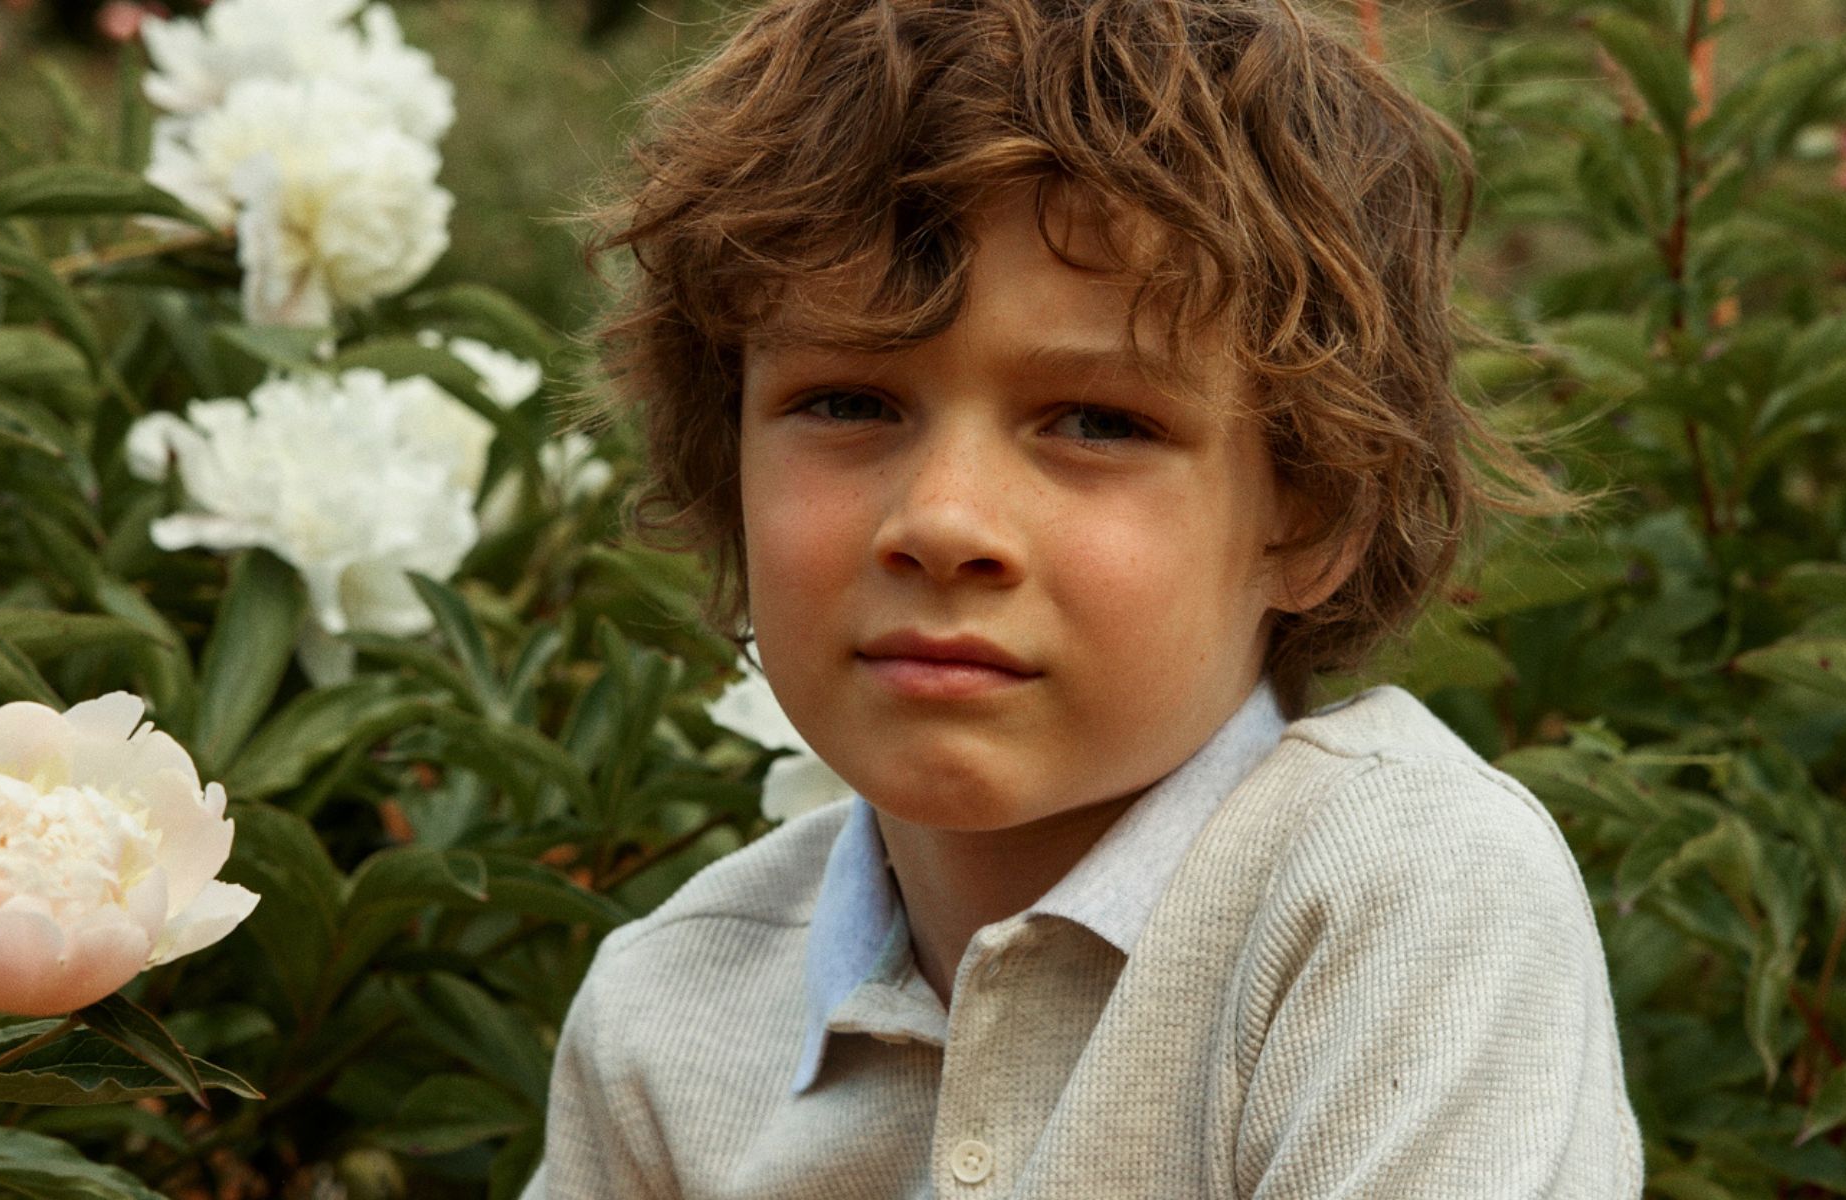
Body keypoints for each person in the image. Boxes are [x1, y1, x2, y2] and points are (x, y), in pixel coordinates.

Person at [521, 0, 1644, 1192]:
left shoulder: (1402, 901)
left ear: (1311, 513)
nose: (943, 522)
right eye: (847, 403)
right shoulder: (661, 1015)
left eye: (1099, 422)